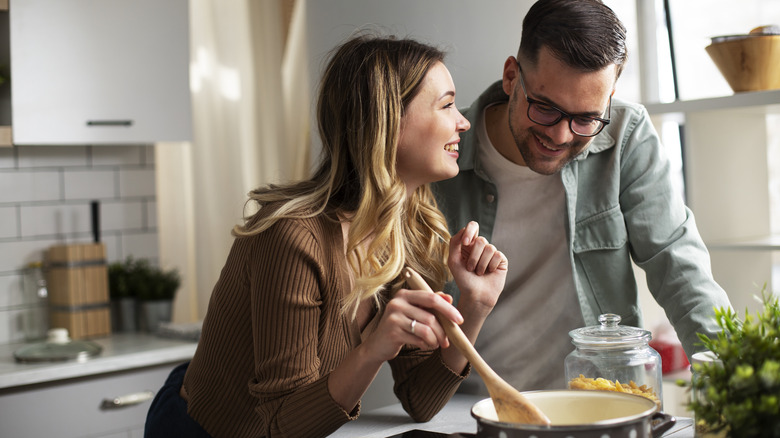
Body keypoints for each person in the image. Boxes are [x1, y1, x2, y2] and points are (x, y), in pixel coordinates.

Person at [145, 34, 508, 438]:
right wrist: (372, 349)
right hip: (199, 429)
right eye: (446, 105)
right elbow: (282, 425)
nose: (464, 121)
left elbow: (421, 401)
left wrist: (474, 306)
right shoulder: (293, 237)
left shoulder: (411, 229)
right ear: (387, 122)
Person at [432, 0, 732, 395]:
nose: (560, 136)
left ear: (607, 101)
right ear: (511, 77)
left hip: (601, 400)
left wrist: (733, 382)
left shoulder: (626, 134)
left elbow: (678, 263)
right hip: (473, 408)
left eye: (586, 118)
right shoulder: (442, 153)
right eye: (545, 108)